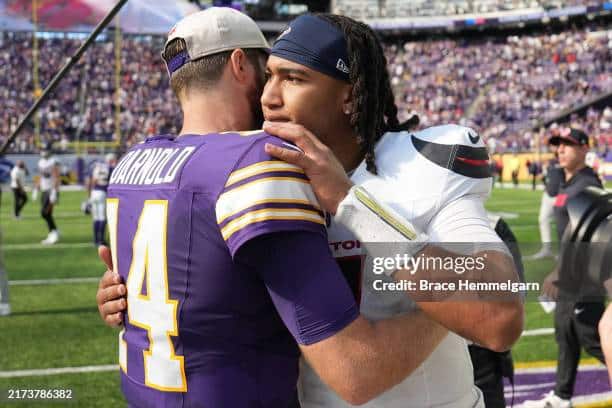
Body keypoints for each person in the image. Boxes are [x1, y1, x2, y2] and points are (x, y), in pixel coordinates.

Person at [97, 11, 523, 407]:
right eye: (269, 77)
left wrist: (349, 202)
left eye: (294, 79)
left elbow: (499, 317)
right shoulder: (256, 175)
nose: (269, 96)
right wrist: (131, 294)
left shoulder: (421, 164)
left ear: (350, 96)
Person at [524, 128, 605, 408]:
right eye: (558, 145)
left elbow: (586, 235)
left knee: (591, 335)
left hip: (585, 274)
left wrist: (559, 271)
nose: (560, 149)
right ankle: (561, 395)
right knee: (565, 331)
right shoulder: (568, 183)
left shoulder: (586, 184)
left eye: (568, 145)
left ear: (584, 148)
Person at [526, 141, 564, 260]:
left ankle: (564, 252)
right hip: (548, 194)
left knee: (562, 224)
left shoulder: (566, 161)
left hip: (561, 196)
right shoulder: (551, 162)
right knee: (543, 220)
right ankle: (546, 249)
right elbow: (547, 177)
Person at [33, 144, 60, 244]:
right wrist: (36, 189)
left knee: (45, 213)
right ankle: (54, 232)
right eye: (43, 149)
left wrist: (54, 191)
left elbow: (57, 177)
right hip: (44, 190)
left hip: (51, 190)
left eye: (45, 150)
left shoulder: (53, 161)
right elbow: (40, 176)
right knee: (46, 214)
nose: (43, 152)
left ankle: (53, 233)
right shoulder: (40, 162)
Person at [87, 153, 116, 246]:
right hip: (102, 193)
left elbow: (92, 181)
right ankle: (101, 240)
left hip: (94, 192)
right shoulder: (111, 168)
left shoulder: (97, 166)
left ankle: (95, 239)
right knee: (102, 217)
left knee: (96, 217)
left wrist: (89, 195)